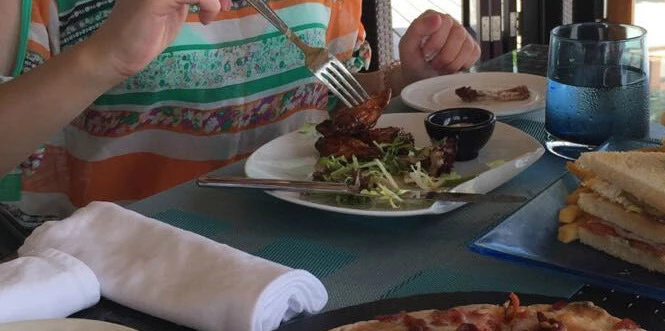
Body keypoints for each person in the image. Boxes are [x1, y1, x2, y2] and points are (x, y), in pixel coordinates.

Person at [0, 0, 480, 230]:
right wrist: (106, 58)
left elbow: (329, 100)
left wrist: (409, 79)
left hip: (305, 239)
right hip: (117, 275)